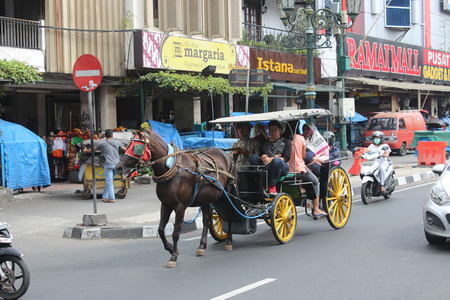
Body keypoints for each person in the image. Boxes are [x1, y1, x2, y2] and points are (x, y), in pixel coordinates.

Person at [289, 124, 327, 218]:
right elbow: (303, 155)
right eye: (305, 129)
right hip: (299, 167)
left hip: (287, 169)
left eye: (308, 129)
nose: (306, 131)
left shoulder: (283, 139)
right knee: (315, 182)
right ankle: (316, 209)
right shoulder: (300, 138)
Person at [83, 129, 126, 203]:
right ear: (112, 135)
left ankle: (112, 198)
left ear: (105, 136)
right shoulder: (117, 142)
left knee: (109, 182)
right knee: (110, 181)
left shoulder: (102, 144)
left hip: (109, 165)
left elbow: (92, 150)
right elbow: (125, 149)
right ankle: (105, 196)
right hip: (117, 165)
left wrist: (86, 150)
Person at [249, 120, 291, 195]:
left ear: (280, 131)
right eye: (271, 130)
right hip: (266, 166)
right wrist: (263, 157)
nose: (273, 132)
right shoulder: (264, 143)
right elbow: (261, 154)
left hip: (281, 167)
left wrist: (271, 159)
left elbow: (286, 158)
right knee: (253, 157)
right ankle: (258, 183)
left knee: (276, 161)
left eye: (275, 130)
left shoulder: (286, 142)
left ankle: (272, 186)